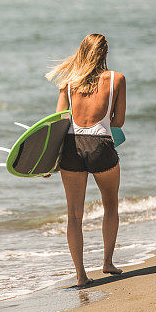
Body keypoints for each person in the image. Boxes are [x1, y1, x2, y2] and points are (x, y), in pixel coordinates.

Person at [46, 33, 126, 287]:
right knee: (110, 205)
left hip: (71, 148)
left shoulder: (68, 82)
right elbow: (118, 122)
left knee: (74, 215)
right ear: (104, 53)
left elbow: (58, 122)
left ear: (81, 52)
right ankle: (108, 262)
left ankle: (81, 275)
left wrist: (48, 160)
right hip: (101, 146)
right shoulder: (116, 79)